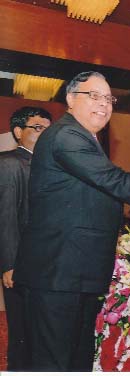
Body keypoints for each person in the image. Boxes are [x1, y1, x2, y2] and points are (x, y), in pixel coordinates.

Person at [13, 71, 130, 371]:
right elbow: (110, 178)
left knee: (76, 358)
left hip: (75, 270)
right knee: (53, 361)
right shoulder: (66, 135)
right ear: (70, 99)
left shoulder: (83, 138)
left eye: (108, 98)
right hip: (57, 272)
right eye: (94, 96)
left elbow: (101, 185)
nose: (104, 104)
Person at [0, 106, 52, 370]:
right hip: (21, 264)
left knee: (39, 331)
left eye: (48, 129)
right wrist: (9, 264)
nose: (45, 134)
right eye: (38, 128)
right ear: (19, 132)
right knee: (21, 330)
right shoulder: (9, 162)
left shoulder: (45, 163)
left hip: (45, 264)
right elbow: (6, 215)